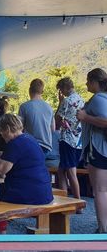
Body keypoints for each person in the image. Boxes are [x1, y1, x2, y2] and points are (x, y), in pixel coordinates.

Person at [0, 113, 53, 205]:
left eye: (1, 132)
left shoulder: (15, 143)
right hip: (44, 192)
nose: (1, 136)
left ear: (7, 129)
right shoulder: (30, 139)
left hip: (27, 193)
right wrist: (2, 153)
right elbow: (20, 157)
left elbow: (0, 171)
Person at [76, 68, 107, 233]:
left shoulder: (98, 99)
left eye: (88, 80)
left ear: (95, 82)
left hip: (100, 151)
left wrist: (85, 117)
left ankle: (103, 229)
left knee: (100, 190)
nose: (86, 83)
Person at [55, 77, 84, 204]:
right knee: (61, 170)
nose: (62, 92)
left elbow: (57, 119)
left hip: (67, 139)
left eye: (61, 89)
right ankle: (64, 199)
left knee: (71, 172)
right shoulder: (81, 99)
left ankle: (78, 202)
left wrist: (60, 102)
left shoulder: (67, 101)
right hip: (78, 140)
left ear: (65, 87)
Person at [18, 78, 55, 157]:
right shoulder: (49, 108)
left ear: (29, 90)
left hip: (30, 144)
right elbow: (53, 129)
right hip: (46, 147)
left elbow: (19, 128)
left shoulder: (24, 107)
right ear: (42, 92)